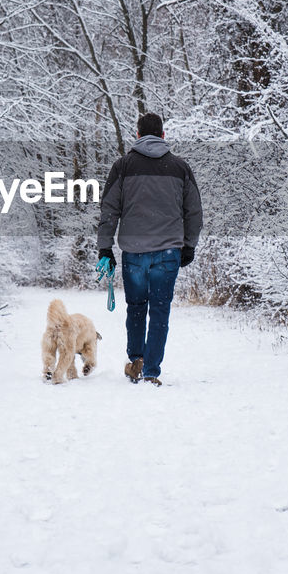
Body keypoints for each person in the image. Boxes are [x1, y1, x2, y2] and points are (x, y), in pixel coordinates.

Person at [97, 113, 203, 386]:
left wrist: (105, 248)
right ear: (163, 135)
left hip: (133, 251)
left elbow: (109, 210)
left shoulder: (123, 166)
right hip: (168, 251)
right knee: (160, 309)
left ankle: (137, 361)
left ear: (138, 134)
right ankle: (152, 371)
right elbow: (194, 212)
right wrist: (189, 245)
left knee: (135, 307)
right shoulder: (180, 167)